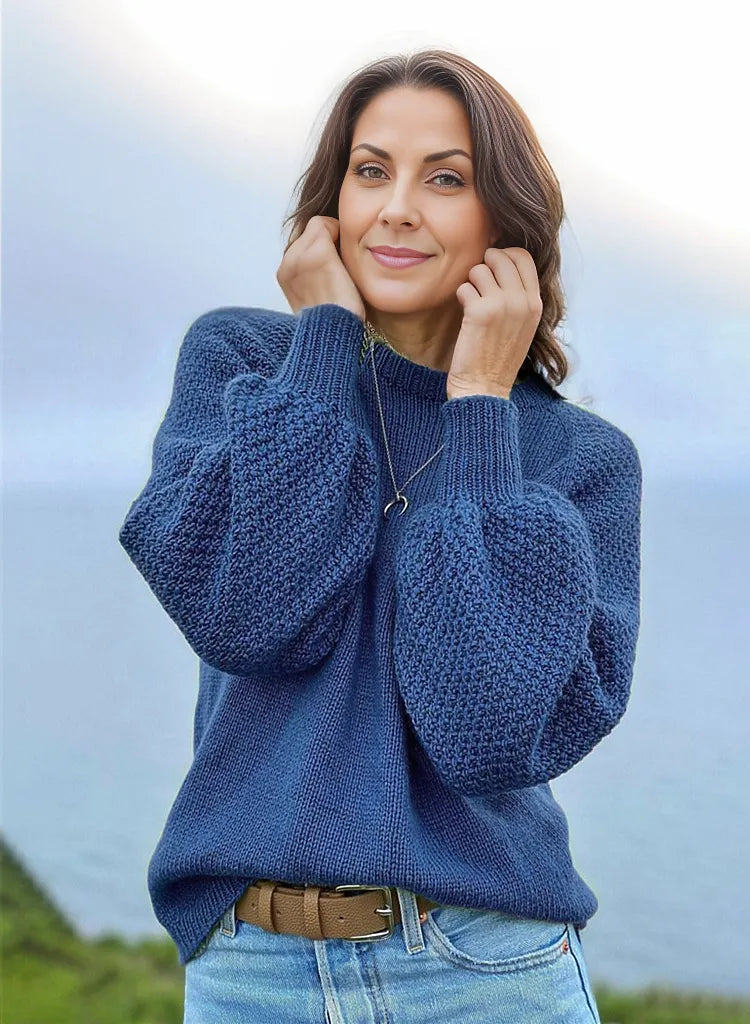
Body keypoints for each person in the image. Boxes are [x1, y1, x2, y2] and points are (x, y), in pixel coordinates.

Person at [118, 47, 642, 1024]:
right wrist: (321, 338)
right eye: (371, 170)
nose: (398, 206)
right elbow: (252, 617)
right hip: (251, 977)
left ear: (506, 223)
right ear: (332, 204)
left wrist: (481, 403)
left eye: (446, 178)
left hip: (487, 971)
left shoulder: (580, 459)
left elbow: (483, 735)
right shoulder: (240, 364)